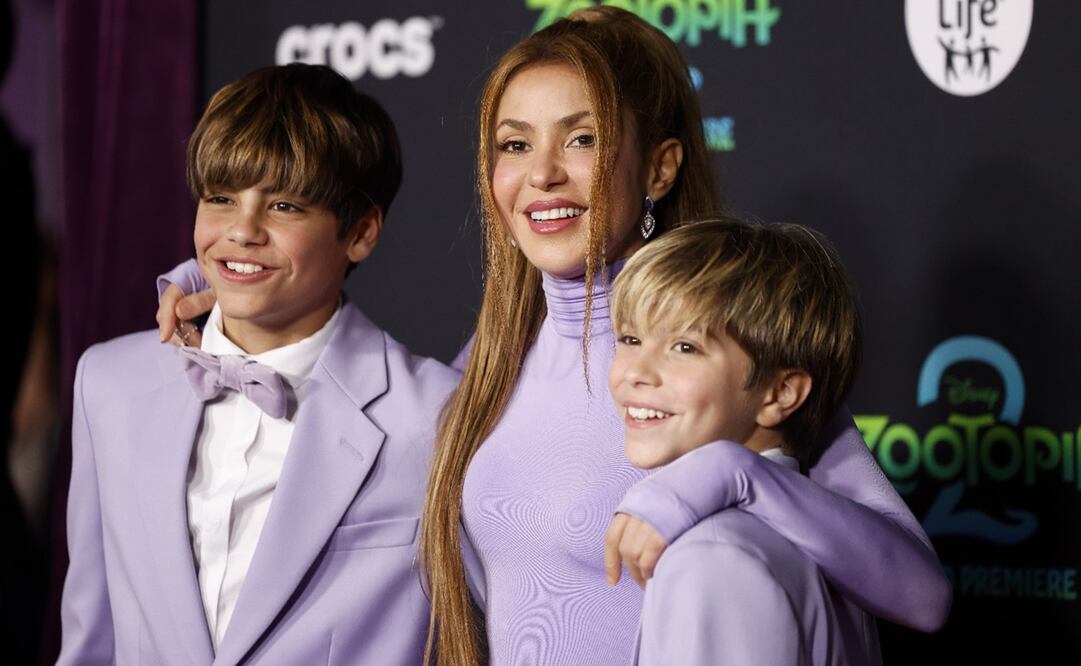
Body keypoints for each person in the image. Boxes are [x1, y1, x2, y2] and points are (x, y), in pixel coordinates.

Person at [157, 9, 950, 665]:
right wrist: (233, 292)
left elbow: (920, 594)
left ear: (660, 168)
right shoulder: (495, 357)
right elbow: (370, 398)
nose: (541, 174)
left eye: (580, 139)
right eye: (513, 144)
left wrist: (733, 476)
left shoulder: (718, 363)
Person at [59, 64, 458, 664]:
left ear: (361, 232)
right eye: (220, 198)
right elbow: (91, 635)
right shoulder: (109, 384)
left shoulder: (436, 415)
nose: (242, 231)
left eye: (285, 206)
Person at [609, 218, 880, 664]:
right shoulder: (823, 539)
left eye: (684, 347)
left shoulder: (712, 560)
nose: (636, 372)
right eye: (631, 339)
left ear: (780, 393)